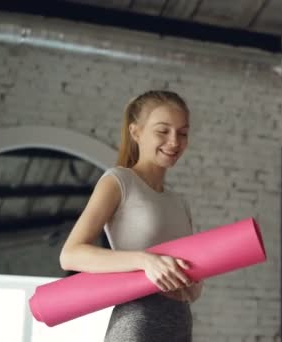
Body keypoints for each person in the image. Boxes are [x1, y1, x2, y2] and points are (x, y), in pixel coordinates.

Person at [60, 90, 203, 342]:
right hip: (138, 318)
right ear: (136, 132)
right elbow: (70, 255)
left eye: (182, 133)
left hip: (180, 320)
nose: (174, 141)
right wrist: (145, 261)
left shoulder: (179, 201)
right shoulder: (119, 181)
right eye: (163, 130)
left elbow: (184, 278)